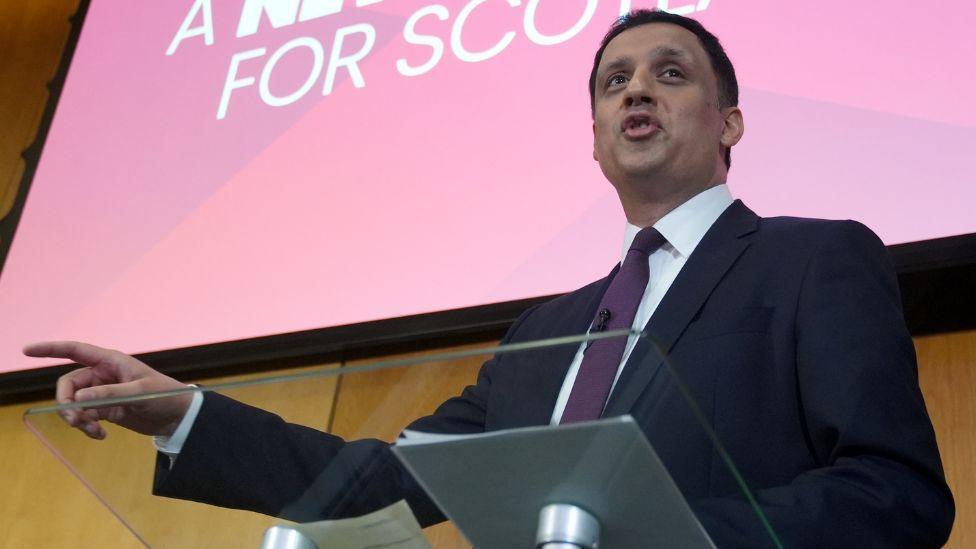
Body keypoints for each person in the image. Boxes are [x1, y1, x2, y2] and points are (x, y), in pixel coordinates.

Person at [26, 10, 954, 547]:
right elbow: (378, 484)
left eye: (669, 75)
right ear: (594, 137)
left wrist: (657, 537)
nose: (635, 92)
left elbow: (896, 495)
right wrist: (184, 413)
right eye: (613, 82)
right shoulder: (540, 337)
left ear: (730, 124)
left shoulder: (814, 260)